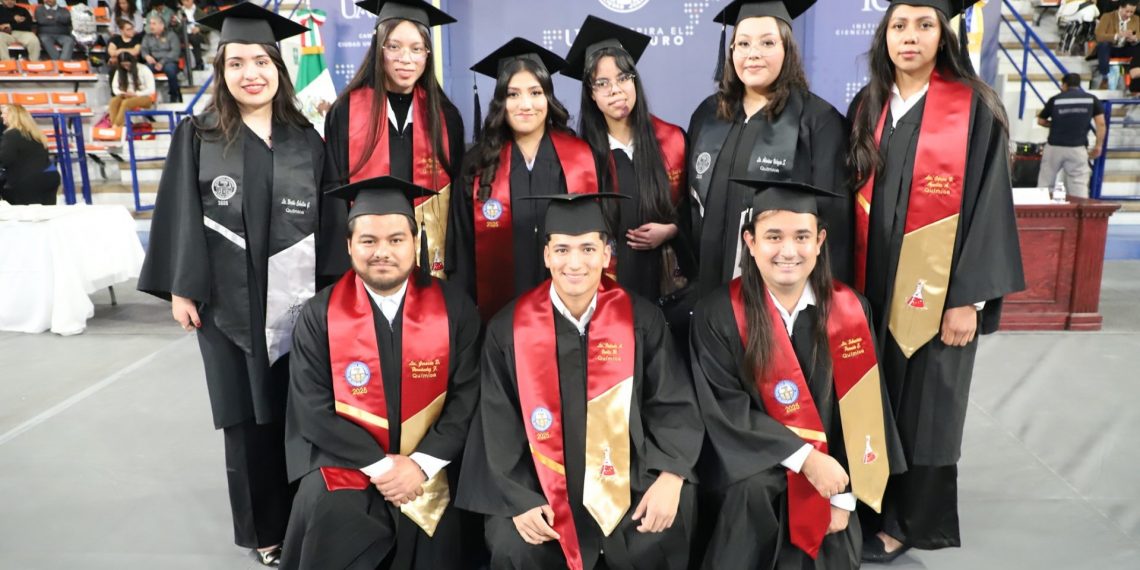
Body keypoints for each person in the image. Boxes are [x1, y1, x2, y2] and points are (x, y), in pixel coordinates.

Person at [136, 3, 327, 566]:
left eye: (262, 61)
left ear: (278, 69)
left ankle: (304, 520)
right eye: (237, 62)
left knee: (300, 411)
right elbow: (180, 213)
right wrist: (181, 288)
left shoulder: (305, 140)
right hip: (225, 303)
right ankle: (264, 532)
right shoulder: (199, 135)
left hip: (297, 305)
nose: (251, 73)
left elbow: (330, 221)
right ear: (221, 71)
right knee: (243, 420)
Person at [846, 0, 1025, 561]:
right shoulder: (868, 105)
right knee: (871, 395)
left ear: (943, 36)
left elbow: (990, 205)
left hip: (938, 294)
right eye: (899, 25)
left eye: (924, 25)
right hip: (870, 288)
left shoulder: (974, 107)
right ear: (885, 36)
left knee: (928, 408)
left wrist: (969, 299)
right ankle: (869, 506)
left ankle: (910, 522)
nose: (910, 37)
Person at [458, 193, 703, 570]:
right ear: (546, 256)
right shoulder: (509, 330)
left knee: (673, 514)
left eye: (588, 249)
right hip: (541, 490)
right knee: (514, 544)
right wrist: (519, 499)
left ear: (606, 255)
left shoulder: (641, 320)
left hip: (630, 485)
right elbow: (496, 423)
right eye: (562, 249)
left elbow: (672, 404)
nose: (574, 263)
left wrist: (671, 475)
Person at [690, 178, 904, 570]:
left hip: (831, 480)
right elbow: (724, 409)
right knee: (752, 496)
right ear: (750, 242)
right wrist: (805, 459)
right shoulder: (717, 315)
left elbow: (865, 415)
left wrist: (845, 497)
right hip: (750, 476)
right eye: (773, 236)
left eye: (802, 237)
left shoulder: (850, 312)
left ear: (820, 241)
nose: (788, 251)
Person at [280, 176, 481, 570]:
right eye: (368, 241)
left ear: (414, 242)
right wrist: (384, 468)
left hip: (432, 465)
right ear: (349, 245)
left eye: (396, 239)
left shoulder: (454, 308)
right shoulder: (320, 314)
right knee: (325, 507)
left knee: (447, 534)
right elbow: (312, 409)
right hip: (348, 462)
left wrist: (420, 464)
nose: (382, 252)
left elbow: (468, 397)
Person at [688, 0, 852, 296]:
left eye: (767, 43)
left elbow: (833, 221)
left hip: (784, 293)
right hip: (710, 289)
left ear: (787, 50)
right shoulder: (708, 115)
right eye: (743, 43)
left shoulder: (818, 122)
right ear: (731, 51)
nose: (753, 53)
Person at [562, 16, 696, 341]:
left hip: (670, 286)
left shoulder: (672, 141)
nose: (616, 90)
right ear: (591, 94)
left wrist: (673, 230)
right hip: (607, 291)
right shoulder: (580, 156)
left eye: (623, 77)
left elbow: (696, 211)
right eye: (602, 83)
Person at [453, 38, 600, 320]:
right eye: (513, 94)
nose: (525, 105)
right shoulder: (477, 165)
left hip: (569, 315)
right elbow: (463, 251)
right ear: (500, 102)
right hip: (499, 319)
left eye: (535, 92)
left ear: (548, 98)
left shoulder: (580, 158)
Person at [321, 0, 464, 284]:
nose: (406, 59)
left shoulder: (445, 117)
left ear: (427, 54)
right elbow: (333, 194)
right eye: (394, 46)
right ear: (379, 49)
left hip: (429, 262)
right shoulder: (346, 112)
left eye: (417, 49)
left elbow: (456, 201)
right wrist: (340, 272)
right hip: (366, 264)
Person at [1036, 72, 1107, 197]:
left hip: (1054, 147)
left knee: (1045, 184)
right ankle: (1080, 209)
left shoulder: (1056, 99)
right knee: (1078, 186)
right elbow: (1101, 124)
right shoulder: (1091, 99)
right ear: (1079, 84)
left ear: (1064, 85)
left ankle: (1042, 208)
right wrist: (1098, 145)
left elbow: (1041, 121)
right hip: (1077, 148)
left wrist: (1054, 124)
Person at [0, 104, 59, 206]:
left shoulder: (12, 134)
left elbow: (4, 159)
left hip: (28, 180)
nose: (1, 116)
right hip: (50, 177)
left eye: (4, 113)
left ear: (13, 116)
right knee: (47, 213)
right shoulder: (36, 133)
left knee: (26, 214)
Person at [1093, 0, 1140, 89]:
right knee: (1103, 45)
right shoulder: (1107, 17)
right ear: (1120, 8)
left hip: (1126, 47)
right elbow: (1099, 36)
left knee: (1138, 45)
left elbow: (1138, 35)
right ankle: (1104, 77)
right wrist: (1118, 35)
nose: (1129, 14)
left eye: (1132, 12)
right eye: (1127, 11)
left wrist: (1134, 39)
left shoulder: (1136, 19)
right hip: (1111, 48)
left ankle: (1135, 75)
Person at [141, 16, 183, 102]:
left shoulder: (171, 35)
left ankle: (174, 96)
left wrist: (162, 62)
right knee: (144, 70)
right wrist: (146, 56)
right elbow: (143, 50)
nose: (151, 26)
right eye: (150, 24)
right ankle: (147, 96)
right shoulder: (147, 37)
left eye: (154, 24)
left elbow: (175, 52)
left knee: (170, 70)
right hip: (153, 62)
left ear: (161, 25)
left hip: (168, 61)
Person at [108, 53, 155, 127]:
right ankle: (114, 125)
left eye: (127, 65)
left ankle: (117, 126)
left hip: (145, 96)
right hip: (126, 95)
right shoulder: (119, 71)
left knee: (126, 103)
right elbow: (115, 87)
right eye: (123, 65)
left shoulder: (144, 69)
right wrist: (122, 93)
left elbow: (151, 90)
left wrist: (136, 94)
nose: (126, 67)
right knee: (113, 101)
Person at [178, 0, 209, 70]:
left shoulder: (199, 11)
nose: (186, 2)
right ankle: (186, 65)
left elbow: (209, 25)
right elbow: (177, 28)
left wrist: (199, 28)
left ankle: (198, 63)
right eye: (183, 1)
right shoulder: (180, 12)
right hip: (184, 34)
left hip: (197, 35)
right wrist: (180, 23)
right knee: (178, 39)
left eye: (187, 0)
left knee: (194, 39)